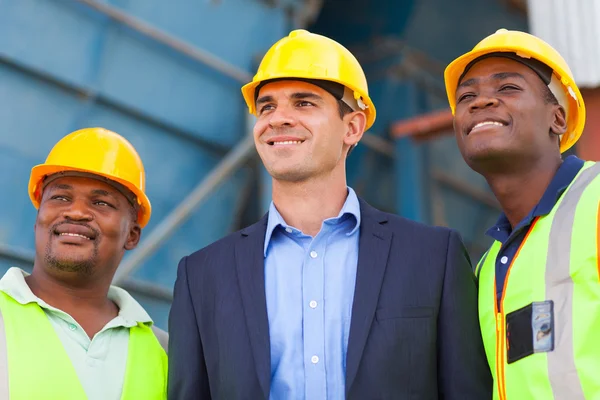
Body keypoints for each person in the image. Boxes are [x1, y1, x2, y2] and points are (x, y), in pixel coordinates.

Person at [168, 29, 491, 400]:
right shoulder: (201, 276)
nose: (278, 119)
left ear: (352, 127)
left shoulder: (434, 258)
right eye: (267, 106)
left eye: (303, 103)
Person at [445, 28, 600, 399]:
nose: (481, 102)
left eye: (507, 88)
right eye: (467, 95)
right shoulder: (486, 269)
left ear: (558, 119)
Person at [0, 128, 168, 399]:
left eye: (101, 202)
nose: (76, 212)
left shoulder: (165, 352)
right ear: (38, 219)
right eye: (60, 198)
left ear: (132, 235)